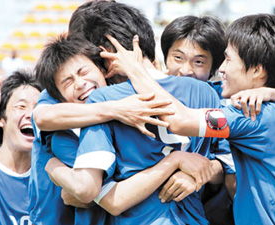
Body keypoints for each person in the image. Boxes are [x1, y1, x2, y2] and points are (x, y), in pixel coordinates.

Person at [45, 1, 225, 224]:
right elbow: (228, 166)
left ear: (107, 57)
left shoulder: (100, 100)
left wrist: (51, 166)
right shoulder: (205, 92)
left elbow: (99, 195)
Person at [103, 13, 275, 224]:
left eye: (228, 59)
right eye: (178, 57)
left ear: (257, 71)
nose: (222, 69)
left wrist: (135, 70)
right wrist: (273, 92)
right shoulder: (263, 106)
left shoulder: (250, 114)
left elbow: (180, 120)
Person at [28, 34, 174, 225]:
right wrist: (52, 166)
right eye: (68, 82)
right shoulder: (64, 137)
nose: (80, 83)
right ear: (59, 97)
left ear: (103, 69)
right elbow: (97, 193)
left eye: (83, 72)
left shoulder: (135, 98)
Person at [160, 15, 235, 224]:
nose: (186, 70)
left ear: (214, 68)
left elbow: (225, 166)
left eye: (199, 62)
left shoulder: (222, 103)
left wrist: (197, 174)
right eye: (178, 58)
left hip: (203, 211)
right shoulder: (144, 94)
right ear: (165, 57)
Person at [0, 67, 41, 224]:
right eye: (21, 106)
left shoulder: (52, 173)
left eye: (38, 107)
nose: (31, 114)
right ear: (0, 119)